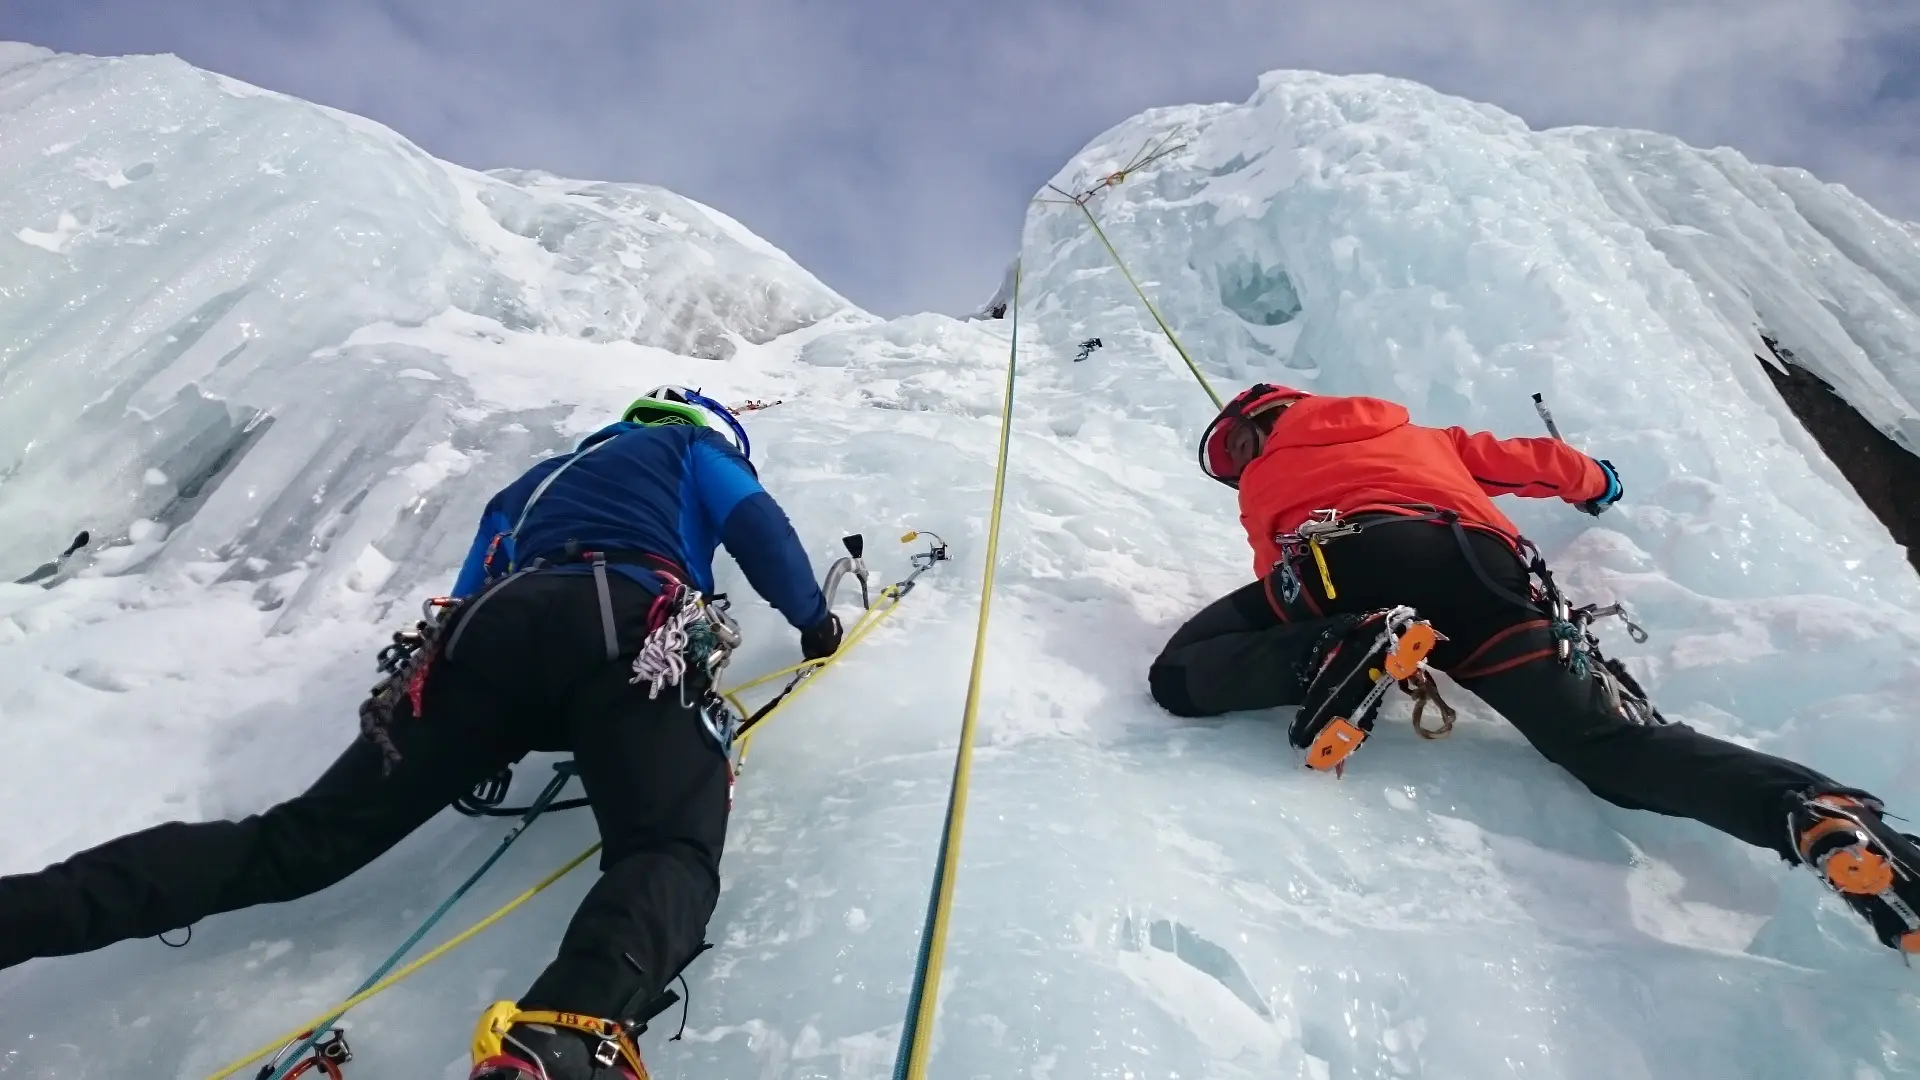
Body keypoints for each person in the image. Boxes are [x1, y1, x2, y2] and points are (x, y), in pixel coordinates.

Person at [0, 386, 846, 1080]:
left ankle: (24, 913)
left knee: (297, 841)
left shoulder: (534, 485)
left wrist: (479, 727)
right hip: (627, 617)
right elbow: (758, 530)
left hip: (483, 635)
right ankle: (562, 1033)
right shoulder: (692, 452)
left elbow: (468, 589)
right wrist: (813, 622)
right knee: (666, 843)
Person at [1151, 382, 1920, 956]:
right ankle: (1815, 817)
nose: (1240, 464)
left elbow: (1275, 571)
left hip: (1344, 560)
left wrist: (1321, 632)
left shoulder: (1264, 479)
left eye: (1237, 446)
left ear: (1264, 421)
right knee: (1608, 750)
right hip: (1485, 573)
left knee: (1180, 672)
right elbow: (1529, 462)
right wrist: (1598, 481)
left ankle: (1347, 645)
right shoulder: (1421, 434)